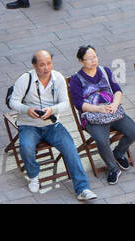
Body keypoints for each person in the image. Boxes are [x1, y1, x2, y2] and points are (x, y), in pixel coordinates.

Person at [8, 49, 97, 200]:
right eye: (42, 65)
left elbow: (65, 104)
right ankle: (34, 175)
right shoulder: (25, 79)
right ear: (34, 66)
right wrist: (27, 109)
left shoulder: (58, 78)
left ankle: (83, 189)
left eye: (49, 63)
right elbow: (13, 102)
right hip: (29, 124)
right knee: (25, 147)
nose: (46, 68)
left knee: (71, 149)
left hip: (52, 124)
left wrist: (52, 110)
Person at [68, 45, 135, 185]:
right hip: (93, 117)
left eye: (94, 57)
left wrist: (114, 104)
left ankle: (118, 153)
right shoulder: (76, 79)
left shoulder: (105, 71)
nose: (93, 61)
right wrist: (98, 109)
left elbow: (117, 90)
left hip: (112, 112)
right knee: (102, 140)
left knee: (133, 131)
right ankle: (113, 168)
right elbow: (78, 104)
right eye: (89, 59)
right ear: (81, 61)